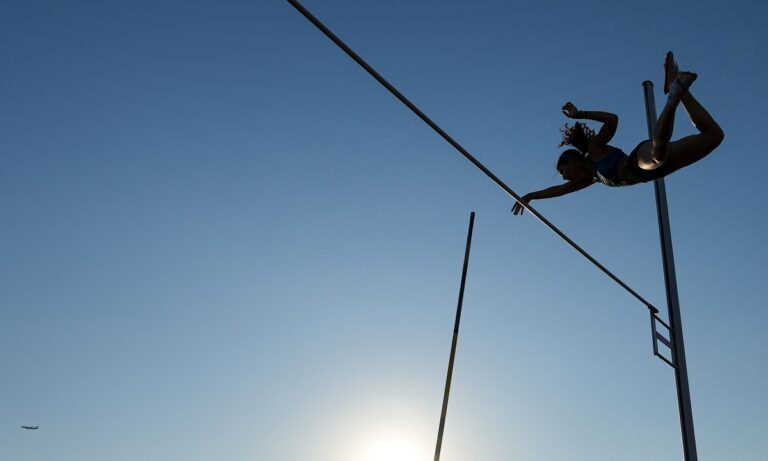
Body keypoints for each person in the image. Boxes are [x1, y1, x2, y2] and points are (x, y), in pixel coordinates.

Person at [512, 51, 724, 215]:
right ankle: (676, 86)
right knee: (714, 135)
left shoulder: (594, 149)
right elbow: (557, 191)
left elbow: (613, 119)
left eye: (564, 170)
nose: (565, 177)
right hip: (655, 172)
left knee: (657, 154)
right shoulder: (590, 178)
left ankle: (674, 97)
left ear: (573, 159)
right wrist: (530, 196)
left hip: (637, 161)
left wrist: (581, 114)